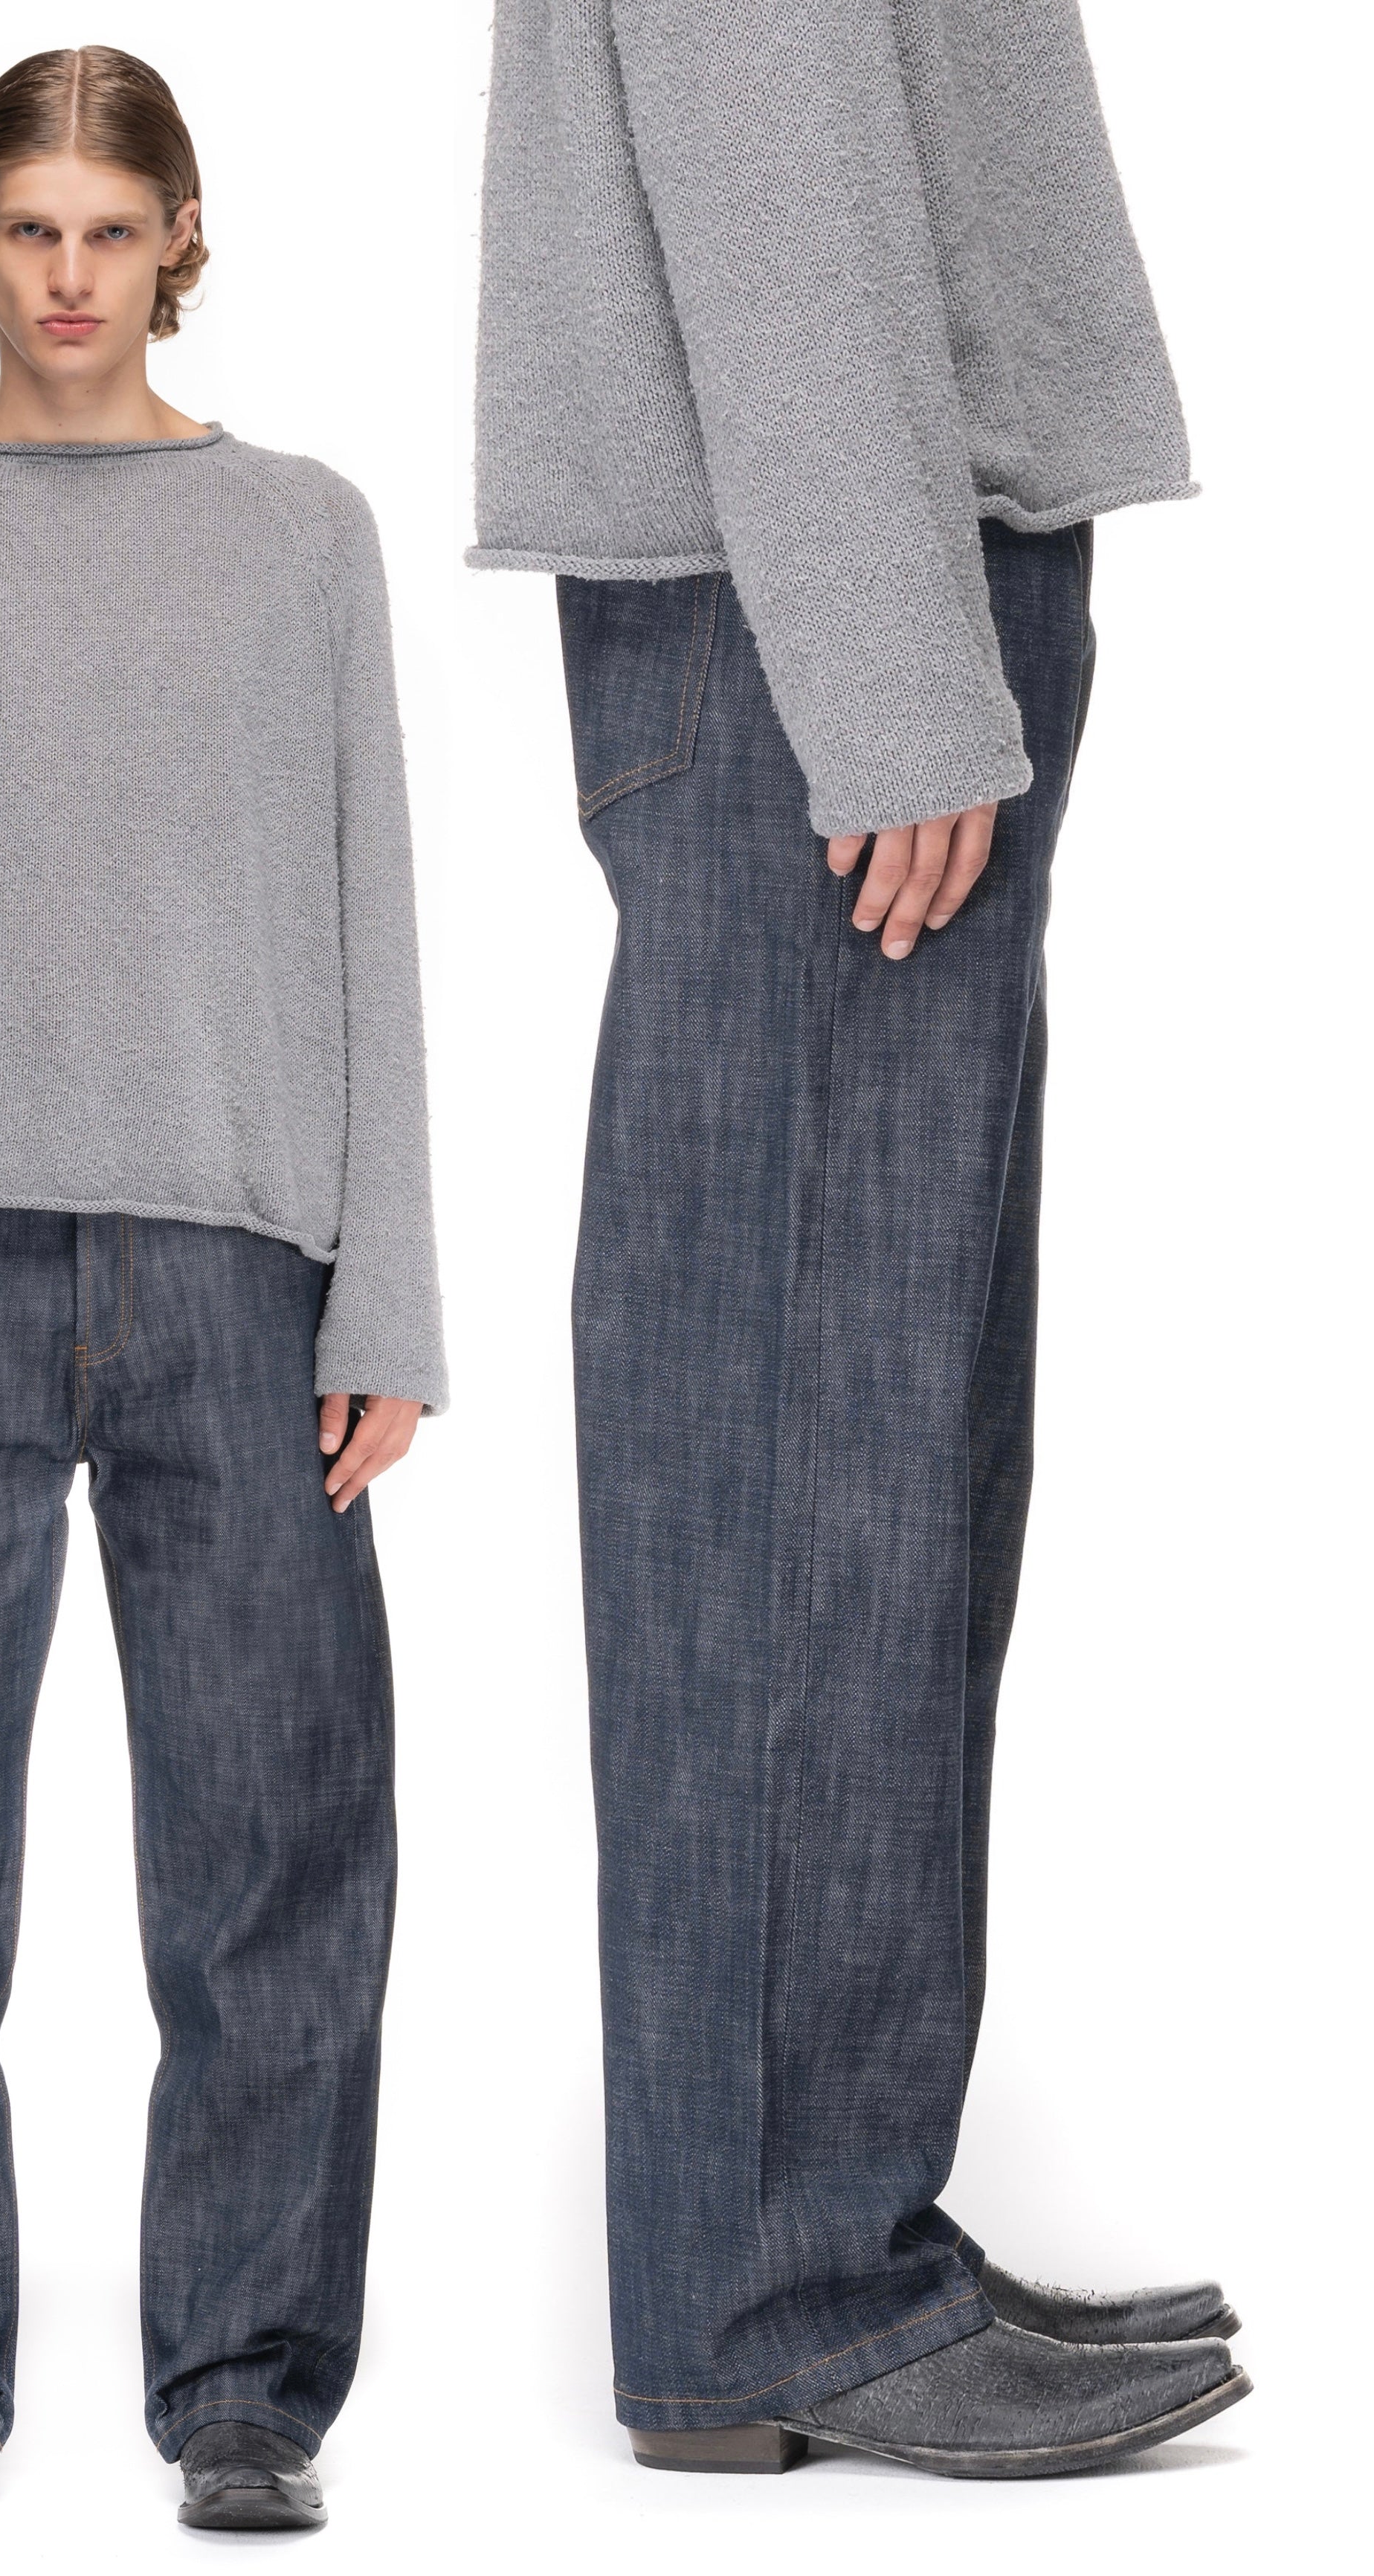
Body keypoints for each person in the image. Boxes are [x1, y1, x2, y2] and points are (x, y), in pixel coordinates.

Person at [471, 0, 1249, 2479]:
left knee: (877, 1468)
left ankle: (827, 2230)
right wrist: (892, 663)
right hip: (809, 616)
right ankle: (777, 2293)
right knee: (804, 1480)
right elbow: (763, 122)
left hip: (833, 587)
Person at [0, 45, 444, 2535]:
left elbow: (367, 908)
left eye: (108, 231)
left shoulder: (299, 535)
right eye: (27, 228)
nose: (66, 277)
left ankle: (246, 2392)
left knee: (276, 1866)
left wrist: (388, 1299)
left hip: (243, 1262)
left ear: (178, 242)